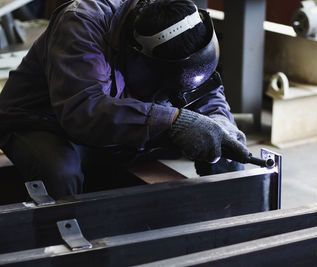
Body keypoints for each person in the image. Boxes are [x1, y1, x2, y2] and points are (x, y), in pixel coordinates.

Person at [0, 0, 249, 199]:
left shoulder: (180, 23)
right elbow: (84, 111)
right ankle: (63, 247)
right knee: (60, 171)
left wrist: (219, 121)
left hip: (118, 125)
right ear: (139, 56)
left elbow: (202, 90)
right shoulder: (82, 22)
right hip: (44, 122)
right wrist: (173, 121)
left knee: (220, 146)